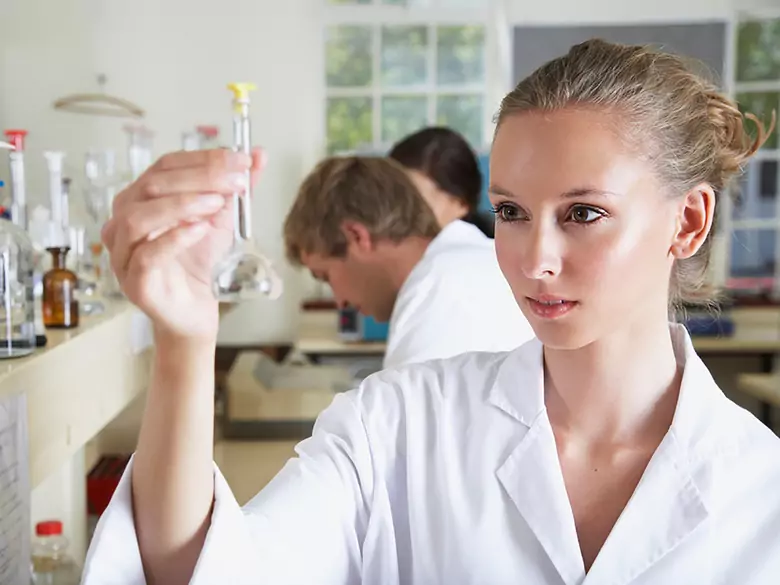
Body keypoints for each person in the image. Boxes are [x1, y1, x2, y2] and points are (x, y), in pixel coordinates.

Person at [82, 39, 780, 585]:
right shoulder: (395, 425)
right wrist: (184, 341)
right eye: (510, 211)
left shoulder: (762, 493)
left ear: (687, 222)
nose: (534, 257)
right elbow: (209, 571)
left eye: (584, 213)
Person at [282, 155, 534, 368]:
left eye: (326, 276)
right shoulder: (466, 257)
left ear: (357, 237)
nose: (339, 301)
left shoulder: (436, 290)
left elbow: (404, 425)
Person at [389, 126, 495, 237]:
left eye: (416, 203)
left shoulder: (491, 252)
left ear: (461, 204)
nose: (399, 215)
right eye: (394, 199)